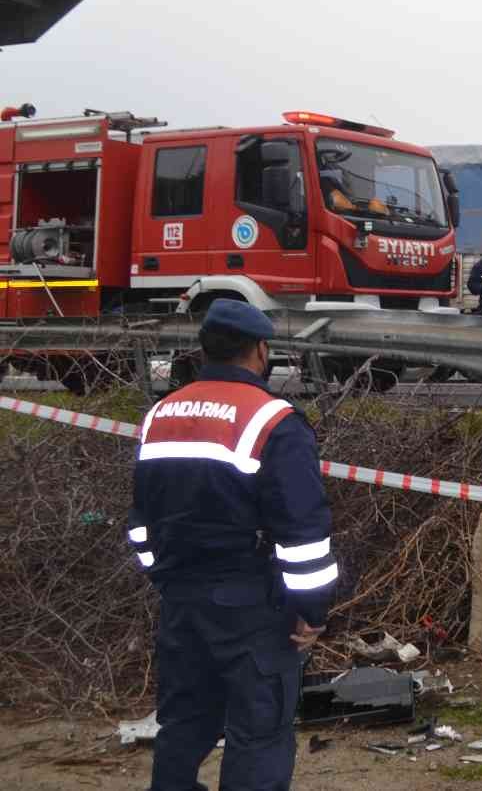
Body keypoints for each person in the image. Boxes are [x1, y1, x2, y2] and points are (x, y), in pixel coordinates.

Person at [127, 298, 338, 791]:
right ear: (261, 351)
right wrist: (312, 609)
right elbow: (302, 532)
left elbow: (140, 521)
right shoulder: (273, 419)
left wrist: (164, 576)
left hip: (180, 600)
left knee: (183, 724)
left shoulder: (161, 413)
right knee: (258, 734)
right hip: (250, 606)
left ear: (205, 351)